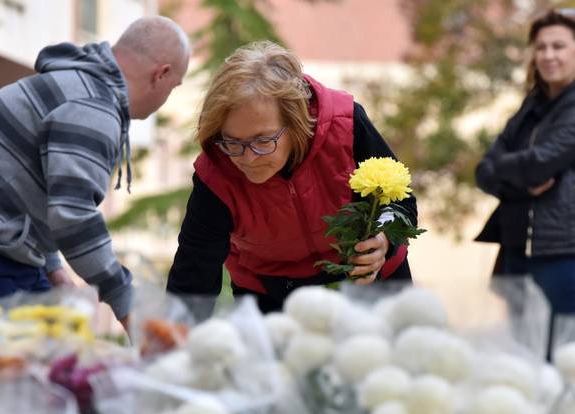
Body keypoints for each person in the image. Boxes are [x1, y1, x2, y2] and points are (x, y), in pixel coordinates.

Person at [0, 16, 191, 330]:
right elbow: (74, 215)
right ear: (161, 74)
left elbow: (39, 194)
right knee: (15, 369)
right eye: (174, 87)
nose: (166, 99)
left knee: (50, 353)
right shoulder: (94, 107)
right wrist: (127, 303)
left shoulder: (79, 85)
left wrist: (53, 267)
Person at [167, 41, 416, 314]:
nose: (248, 157)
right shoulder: (217, 169)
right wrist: (174, 343)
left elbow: (401, 202)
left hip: (369, 284)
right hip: (272, 299)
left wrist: (384, 240)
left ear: (295, 121)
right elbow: (193, 278)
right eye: (233, 142)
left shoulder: (346, 126)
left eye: (263, 141)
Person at [474, 7, 575, 353]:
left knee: (564, 360)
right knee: (522, 360)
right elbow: (483, 171)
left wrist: (507, 172)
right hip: (515, 248)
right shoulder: (531, 107)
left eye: (558, 46)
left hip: (565, 252)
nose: (548, 55)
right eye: (541, 47)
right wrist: (518, 180)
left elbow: (537, 164)